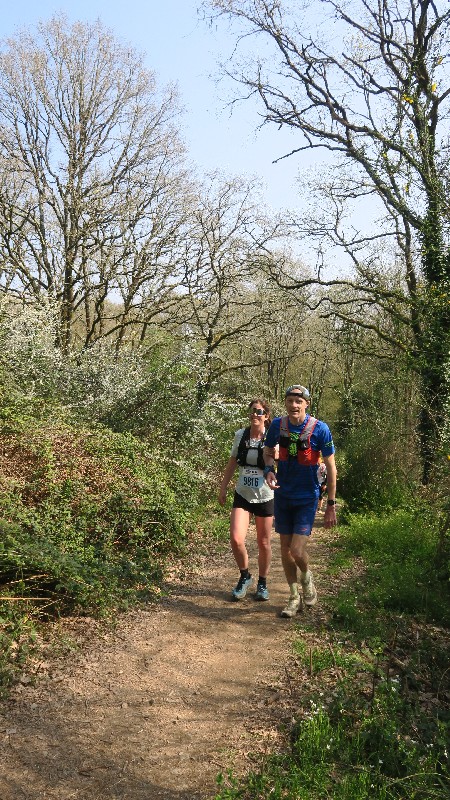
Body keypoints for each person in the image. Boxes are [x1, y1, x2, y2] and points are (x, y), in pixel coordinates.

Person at [263, 385, 337, 617]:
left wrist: (331, 505)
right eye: (290, 401)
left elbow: (331, 468)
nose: (294, 405)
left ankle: (307, 578)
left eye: (298, 401)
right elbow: (267, 451)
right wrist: (268, 470)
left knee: (296, 550)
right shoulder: (277, 425)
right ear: (285, 403)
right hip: (283, 495)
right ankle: (294, 596)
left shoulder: (320, 429)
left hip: (307, 497)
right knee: (285, 549)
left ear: (307, 404)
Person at [219, 398, 274, 601]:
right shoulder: (240, 435)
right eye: (252, 411)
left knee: (264, 542)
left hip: (265, 495)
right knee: (236, 538)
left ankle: (262, 583)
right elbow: (232, 462)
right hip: (243, 493)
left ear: (266, 416)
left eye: (259, 412)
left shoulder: (272, 437)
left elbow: (280, 463)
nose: (255, 415)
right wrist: (223, 487)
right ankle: (245, 576)